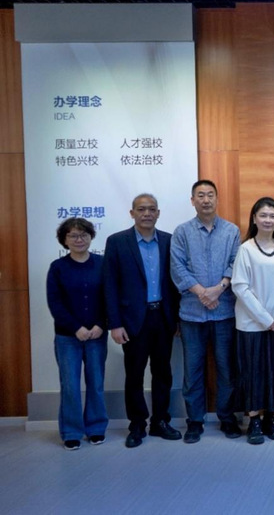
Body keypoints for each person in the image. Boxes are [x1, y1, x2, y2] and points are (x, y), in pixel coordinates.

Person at [103, 194, 181, 448]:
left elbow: (176, 283)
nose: (147, 213)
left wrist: (178, 319)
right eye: (141, 209)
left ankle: (160, 421)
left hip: (163, 317)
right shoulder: (117, 242)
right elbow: (110, 285)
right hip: (132, 320)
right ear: (132, 213)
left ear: (158, 213)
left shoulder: (169, 241)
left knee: (163, 373)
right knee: (134, 374)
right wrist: (114, 323)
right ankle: (137, 425)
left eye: (151, 209)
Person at [171, 180, 241, 443]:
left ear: (217, 199)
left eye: (210, 195)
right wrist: (202, 292)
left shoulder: (232, 231)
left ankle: (227, 417)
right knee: (193, 371)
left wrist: (218, 289)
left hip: (224, 312)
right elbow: (177, 267)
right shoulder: (182, 232)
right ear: (192, 201)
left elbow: (236, 262)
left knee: (226, 369)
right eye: (200, 195)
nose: (206, 200)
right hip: (192, 314)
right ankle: (194, 421)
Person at [231, 197, 274, 445]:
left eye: (272, 216)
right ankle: (254, 419)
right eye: (263, 215)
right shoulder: (246, 249)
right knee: (253, 373)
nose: (268, 220)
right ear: (254, 219)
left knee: (273, 373)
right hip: (251, 325)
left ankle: (270, 418)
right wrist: (266, 319)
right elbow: (240, 287)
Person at [46, 218, 108, 450]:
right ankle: (71, 431)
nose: (79, 239)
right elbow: (55, 303)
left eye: (83, 235)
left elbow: (109, 297)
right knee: (70, 385)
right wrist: (76, 328)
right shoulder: (57, 267)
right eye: (73, 235)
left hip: (97, 335)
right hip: (67, 337)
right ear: (64, 240)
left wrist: (101, 324)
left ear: (91, 237)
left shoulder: (103, 264)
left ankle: (96, 428)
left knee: (96, 383)